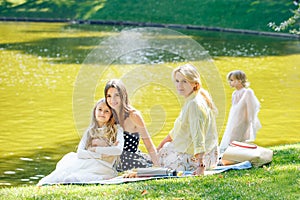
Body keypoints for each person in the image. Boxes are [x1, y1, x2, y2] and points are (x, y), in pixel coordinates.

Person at [37, 98, 124, 185]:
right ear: (95, 111)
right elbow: (80, 153)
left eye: (106, 111)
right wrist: (104, 153)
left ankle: (103, 177)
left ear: (112, 114)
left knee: (71, 178)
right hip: (90, 161)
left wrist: (95, 149)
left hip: (104, 166)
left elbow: (118, 150)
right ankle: (44, 183)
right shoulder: (90, 131)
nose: (102, 113)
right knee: (66, 168)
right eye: (100, 109)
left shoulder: (117, 130)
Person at [157, 63, 219, 176]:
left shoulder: (194, 104)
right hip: (209, 155)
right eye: (177, 81)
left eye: (184, 81)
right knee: (163, 149)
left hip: (199, 159)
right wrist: (161, 144)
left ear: (195, 84)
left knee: (159, 160)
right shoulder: (194, 97)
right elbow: (178, 128)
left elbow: (198, 135)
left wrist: (201, 166)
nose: (179, 85)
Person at [104, 79, 159, 171]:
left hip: (130, 160)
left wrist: (158, 166)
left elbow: (149, 145)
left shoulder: (134, 115)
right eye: (109, 96)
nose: (112, 100)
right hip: (112, 160)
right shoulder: (108, 115)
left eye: (116, 95)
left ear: (123, 96)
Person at [219, 70, 261, 156]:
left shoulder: (247, 92)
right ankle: (230, 153)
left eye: (232, 80)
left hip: (242, 119)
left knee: (237, 136)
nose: (230, 82)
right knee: (230, 135)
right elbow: (234, 108)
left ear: (240, 80)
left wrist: (250, 120)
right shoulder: (234, 93)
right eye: (229, 80)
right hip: (234, 119)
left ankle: (237, 154)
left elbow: (251, 106)